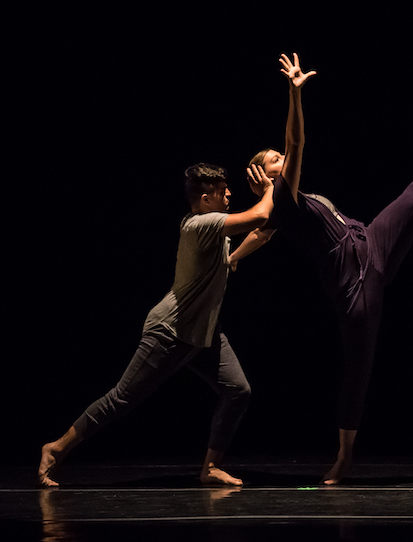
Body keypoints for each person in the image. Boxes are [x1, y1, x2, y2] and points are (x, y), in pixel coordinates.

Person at [229, 53, 413, 485]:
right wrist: (294, 95)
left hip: (367, 239)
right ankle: (345, 456)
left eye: (277, 155)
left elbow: (262, 234)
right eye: (273, 158)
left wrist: (232, 260)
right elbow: (296, 145)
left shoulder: (283, 206)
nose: (280, 155)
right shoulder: (284, 200)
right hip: (356, 282)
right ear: (266, 174)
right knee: (358, 366)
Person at [38, 162, 274, 487]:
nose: (230, 193)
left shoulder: (213, 228)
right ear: (206, 199)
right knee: (122, 398)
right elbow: (259, 216)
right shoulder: (200, 224)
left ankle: (210, 467)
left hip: (203, 332)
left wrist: (275, 213)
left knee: (238, 391)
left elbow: (258, 233)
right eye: (222, 191)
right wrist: (270, 190)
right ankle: (55, 448)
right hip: (171, 330)